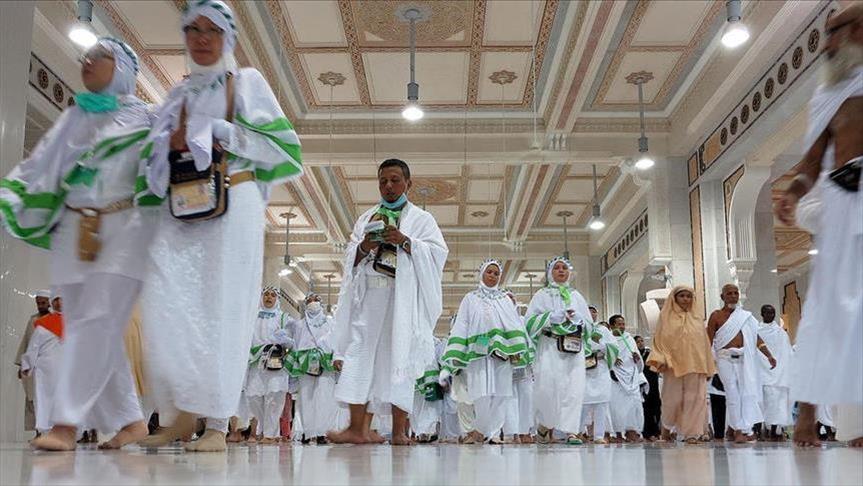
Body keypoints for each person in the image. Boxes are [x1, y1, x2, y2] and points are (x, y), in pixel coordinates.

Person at [137, 0, 302, 453]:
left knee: (222, 310)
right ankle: (179, 416)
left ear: (227, 36)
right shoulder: (178, 94)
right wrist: (169, 141)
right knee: (173, 307)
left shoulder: (245, 83)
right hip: (181, 207)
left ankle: (216, 424)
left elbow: (284, 150)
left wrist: (216, 130)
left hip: (233, 205)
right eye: (193, 29)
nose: (202, 38)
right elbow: (152, 157)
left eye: (212, 29)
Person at [1, 36, 155, 451]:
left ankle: (65, 425)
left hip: (124, 231)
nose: (87, 62)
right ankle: (131, 420)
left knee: (95, 324)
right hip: (75, 234)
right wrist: (11, 198)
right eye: (85, 57)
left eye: (99, 57)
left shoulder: (147, 118)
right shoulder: (75, 117)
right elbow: (39, 165)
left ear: (122, 68)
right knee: (90, 327)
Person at [774, 2, 863, 448]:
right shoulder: (829, 95)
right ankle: (806, 414)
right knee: (826, 309)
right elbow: (811, 163)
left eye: (835, 33)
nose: (826, 45)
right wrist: (793, 192)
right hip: (844, 200)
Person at [328, 158, 448, 445]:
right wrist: (365, 246)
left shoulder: (422, 219)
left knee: (399, 357)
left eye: (395, 180)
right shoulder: (366, 218)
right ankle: (357, 429)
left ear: (408, 183)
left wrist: (405, 241)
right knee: (360, 355)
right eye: (383, 181)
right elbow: (350, 256)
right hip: (369, 297)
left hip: (401, 299)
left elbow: (437, 254)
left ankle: (398, 432)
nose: (389, 186)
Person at [439, 260, 530, 443]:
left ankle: (493, 433)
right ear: (482, 273)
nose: (493, 276)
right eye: (489, 272)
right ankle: (481, 429)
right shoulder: (470, 298)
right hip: (479, 348)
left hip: (503, 350)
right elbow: (462, 325)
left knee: (502, 393)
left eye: (496, 273)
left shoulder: (505, 299)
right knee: (481, 393)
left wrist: (517, 347)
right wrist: (455, 354)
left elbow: (514, 323)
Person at [524, 256, 594, 445]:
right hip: (549, 346)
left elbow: (590, 326)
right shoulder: (541, 295)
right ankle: (545, 425)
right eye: (557, 268)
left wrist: (579, 320)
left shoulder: (577, 296)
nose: (561, 270)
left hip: (573, 348)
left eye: (564, 267)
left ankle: (571, 432)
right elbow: (529, 323)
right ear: (550, 272)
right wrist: (549, 318)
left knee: (574, 389)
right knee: (547, 389)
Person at [707, 284, 777, 444]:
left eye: (735, 293)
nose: (733, 296)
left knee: (746, 394)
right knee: (732, 393)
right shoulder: (716, 316)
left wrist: (769, 355)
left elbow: (756, 337)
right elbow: (708, 340)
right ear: (722, 297)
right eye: (729, 293)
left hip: (744, 359)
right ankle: (739, 430)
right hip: (725, 359)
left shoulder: (745, 317)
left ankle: (738, 428)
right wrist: (707, 363)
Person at [646, 286, 716, 445]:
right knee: (672, 399)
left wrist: (709, 367)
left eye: (688, 296)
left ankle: (692, 434)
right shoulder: (666, 317)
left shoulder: (697, 319)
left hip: (696, 365)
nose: (685, 299)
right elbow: (660, 339)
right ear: (674, 298)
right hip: (674, 366)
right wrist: (661, 358)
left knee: (695, 399)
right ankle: (666, 429)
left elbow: (704, 344)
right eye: (682, 296)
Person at [290, 292, 345, 444]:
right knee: (306, 399)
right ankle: (308, 432)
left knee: (325, 398)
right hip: (305, 364)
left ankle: (323, 432)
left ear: (321, 304)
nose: (312, 302)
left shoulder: (330, 322)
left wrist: (338, 358)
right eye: (309, 300)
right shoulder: (299, 325)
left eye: (316, 300)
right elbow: (295, 345)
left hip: (326, 364)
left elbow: (337, 341)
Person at [244, 287, 293, 445]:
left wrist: (285, 340)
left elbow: (294, 342)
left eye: (272, 295)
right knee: (253, 396)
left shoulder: (284, 318)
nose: (269, 297)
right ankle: (265, 429)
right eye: (266, 294)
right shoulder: (251, 316)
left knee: (274, 397)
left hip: (275, 361)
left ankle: (270, 434)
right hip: (255, 362)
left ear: (277, 299)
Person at [19, 296, 65, 436]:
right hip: (52, 369)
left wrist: (27, 365)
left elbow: (33, 347)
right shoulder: (72, 323)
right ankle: (52, 432)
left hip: (54, 369)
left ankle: (51, 431)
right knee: (52, 399)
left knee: (50, 399)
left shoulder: (45, 324)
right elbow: (34, 346)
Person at [15, 291, 52, 436]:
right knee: (33, 398)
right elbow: (26, 342)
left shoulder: (55, 320)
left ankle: (51, 434)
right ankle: (38, 433)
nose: (40, 306)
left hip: (49, 368)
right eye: (38, 303)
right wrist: (22, 365)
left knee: (48, 399)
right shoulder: (32, 320)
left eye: (43, 303)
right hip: (33, 367)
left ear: (49, 303)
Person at [502, 289, 535, 444]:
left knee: (527, 399)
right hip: (504, 364)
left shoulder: (522, 320)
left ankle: (525, 431)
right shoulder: (495, 319)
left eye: (512, 299)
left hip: (524, 364)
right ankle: (511, 433)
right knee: (509, 400)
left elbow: (530, 340)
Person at [757, 305, 793, 441]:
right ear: (762, 314)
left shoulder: (780, 333)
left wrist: (784, 371)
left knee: (777, 404)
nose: (770, 315)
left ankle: (774, 430)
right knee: (761, 403)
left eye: (772, 313)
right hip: (761, 373)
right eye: (767, 313)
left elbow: (787, 353)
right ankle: (760, 430)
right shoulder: (756, 331)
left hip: (778, 375)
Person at [610, 315, 647, 443]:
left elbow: (637, 358)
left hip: (631, 376)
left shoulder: (629, 339)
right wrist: (612, 364)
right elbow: (606, 357)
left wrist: (637, 358)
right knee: (617, 406)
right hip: (616, 377)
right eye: (619, 324)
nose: (622, 327)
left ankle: (632, 431)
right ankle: (618, 433)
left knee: (633, 404)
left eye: (623, 324)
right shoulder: (608, 339)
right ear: (612, 326)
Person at [581, 321, 617, 444]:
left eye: (594, 312)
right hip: (585, 368)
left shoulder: (603, 329)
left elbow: (613, 347)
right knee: (584, 403)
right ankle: (578, 432)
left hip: (601, 368)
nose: (592, 314)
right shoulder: (581, 327)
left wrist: (599, 345)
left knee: (602, 403)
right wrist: (593, 345)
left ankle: (599, 436)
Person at [411, 337, 445, 443]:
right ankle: (420, 432)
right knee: (417, 405)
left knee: (430, 405)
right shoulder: (412, 339)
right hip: (418, 376)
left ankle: (426, 431)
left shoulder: (435, 341)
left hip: (431, 377)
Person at [636, 335, 661, 440]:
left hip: (653, 383)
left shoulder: (649, 353)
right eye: (638, 342)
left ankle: (657, 431)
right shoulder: (635, 355)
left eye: (642, 341)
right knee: (647, 409)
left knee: (656, 407)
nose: (641, 343)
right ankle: (649, 433)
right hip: (642, 385)